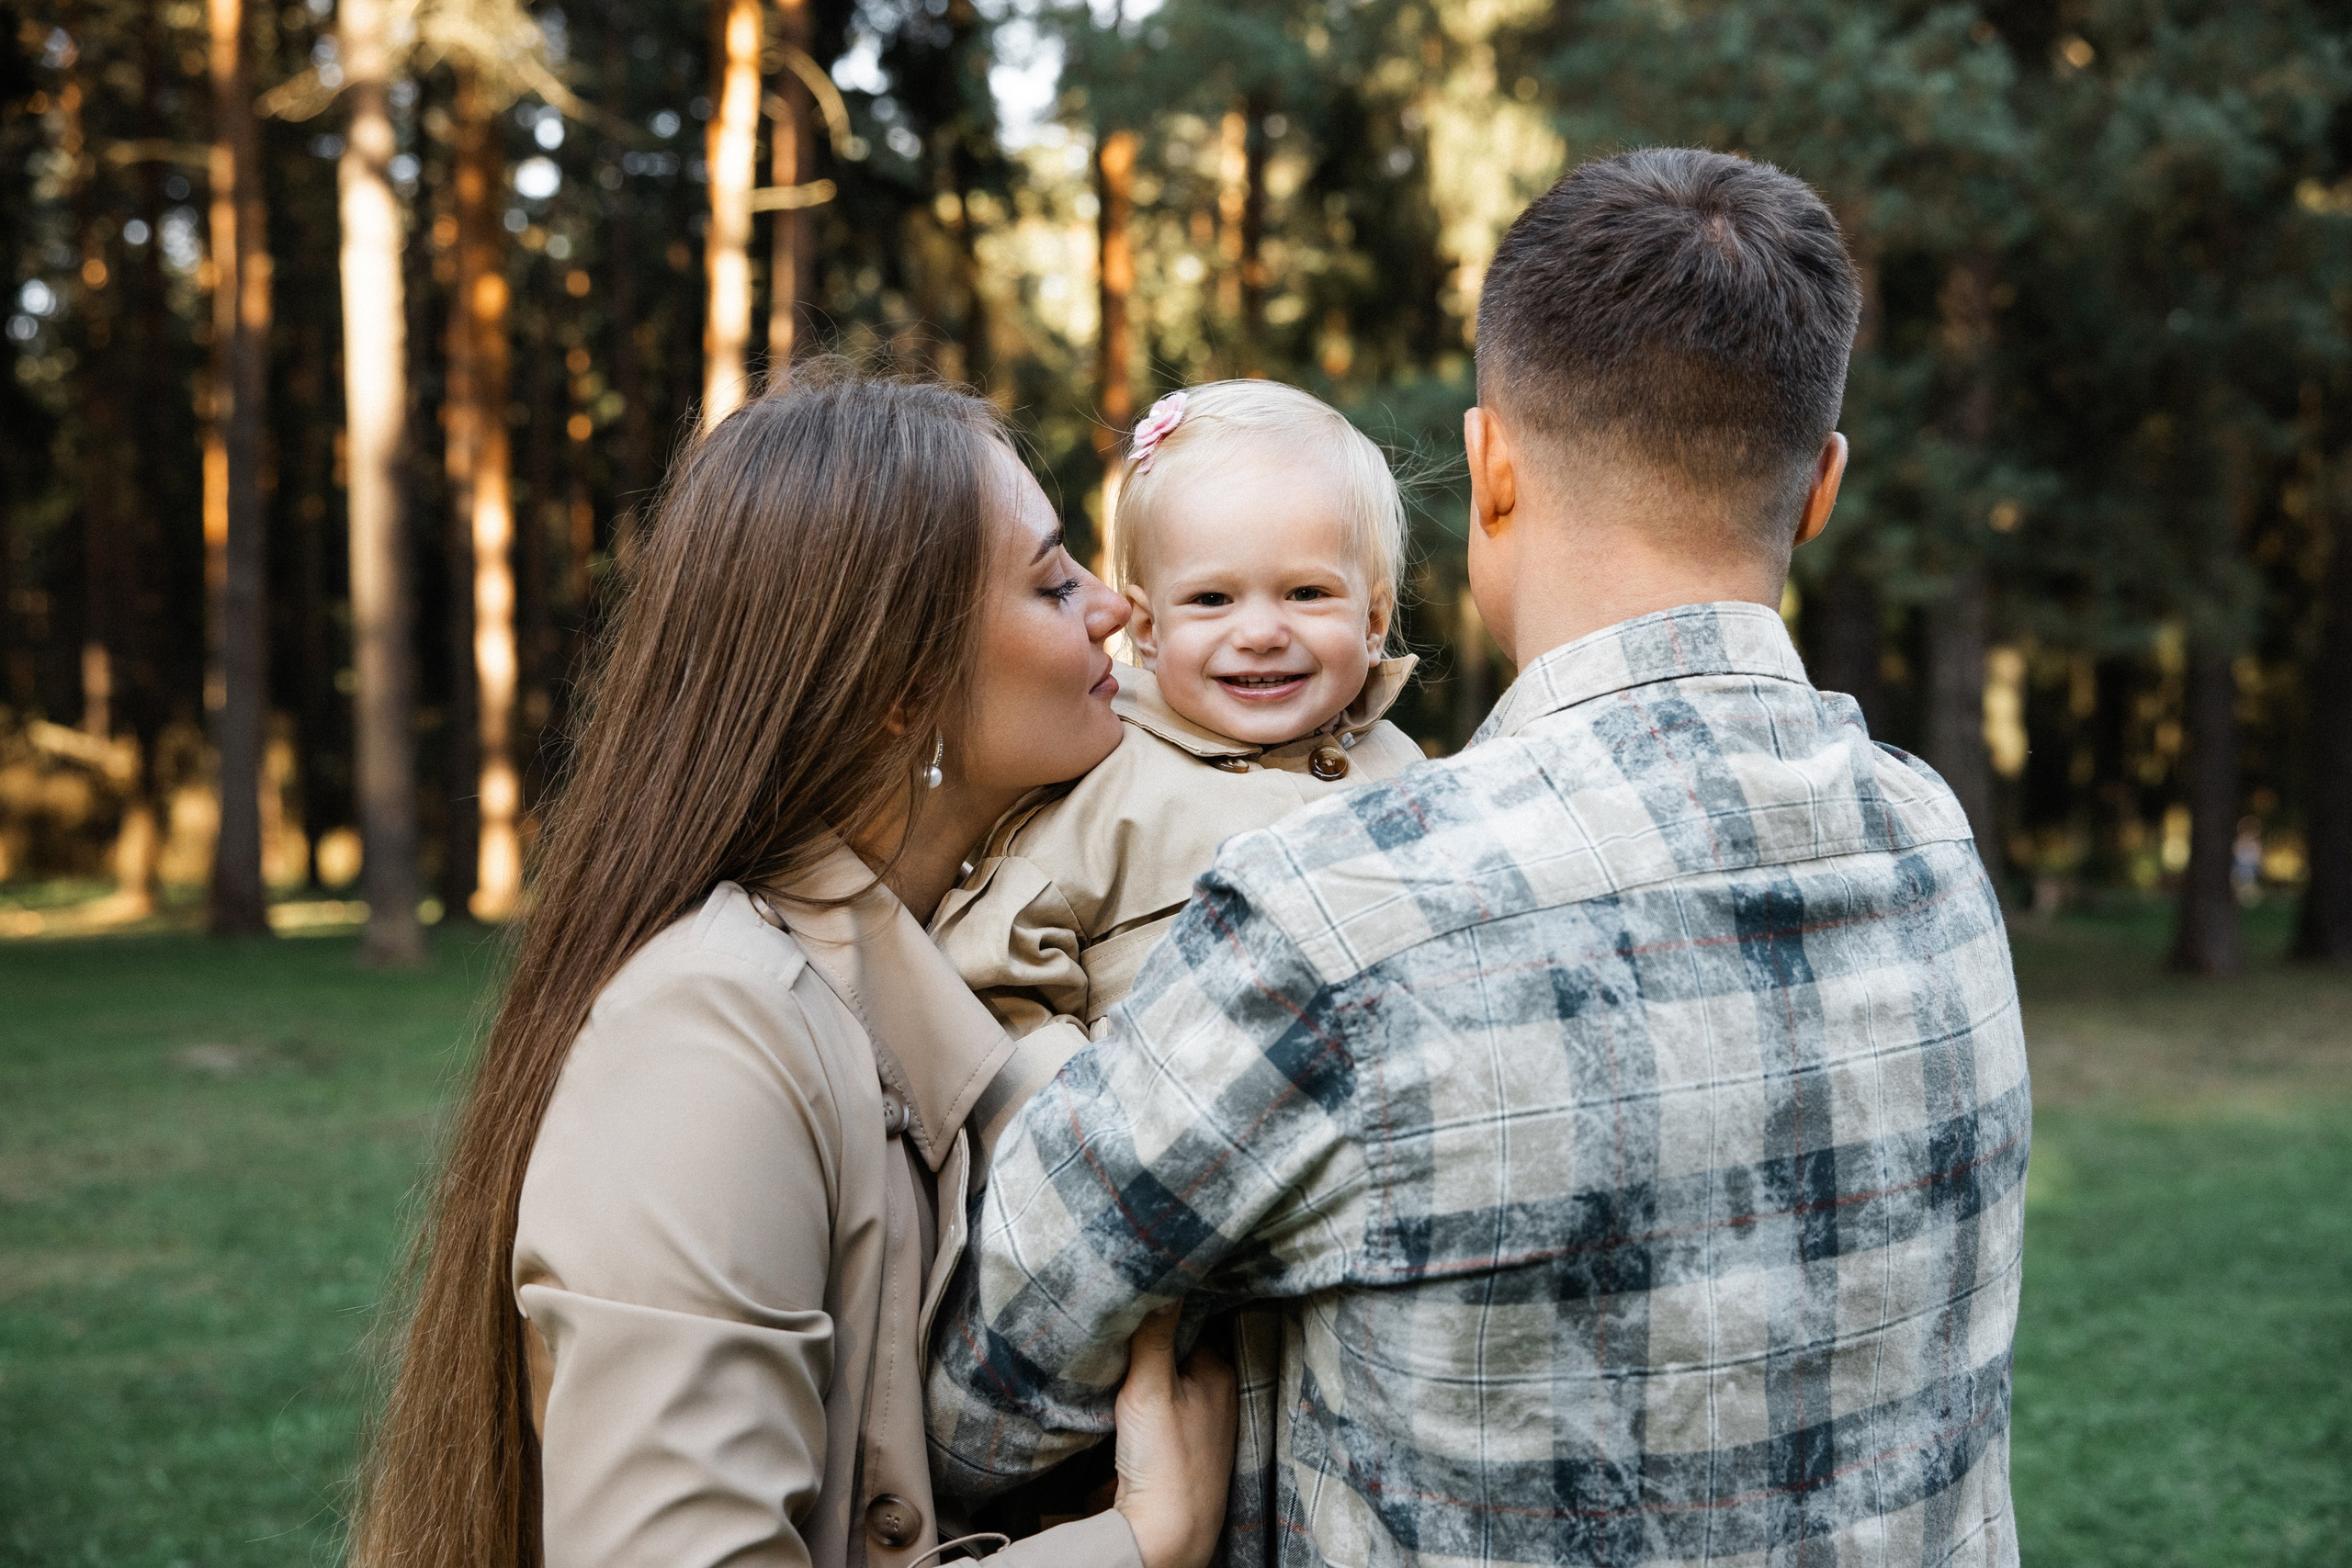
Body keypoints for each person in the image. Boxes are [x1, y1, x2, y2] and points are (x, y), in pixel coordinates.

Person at [929, 148, 2030, 1568]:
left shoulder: (1343, 917)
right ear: (1818, 488)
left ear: (1491, 464)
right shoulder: (1936, 848)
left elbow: (981, 1394)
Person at [349, 368, 1237, 1568]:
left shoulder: (965, 970)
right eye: (1050, 578)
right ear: (894, 690)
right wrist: (1140, 1543)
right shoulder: (710, 1033)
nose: (1115, 610)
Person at [934, 378, 1424, 1047]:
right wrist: (1088, 1124)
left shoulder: (1409, 771)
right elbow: (992, 988)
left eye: (1306, 592)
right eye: (1212, 599)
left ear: (1373, 620)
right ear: (1147, 625)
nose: (1260, 632)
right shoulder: (1103, 786)